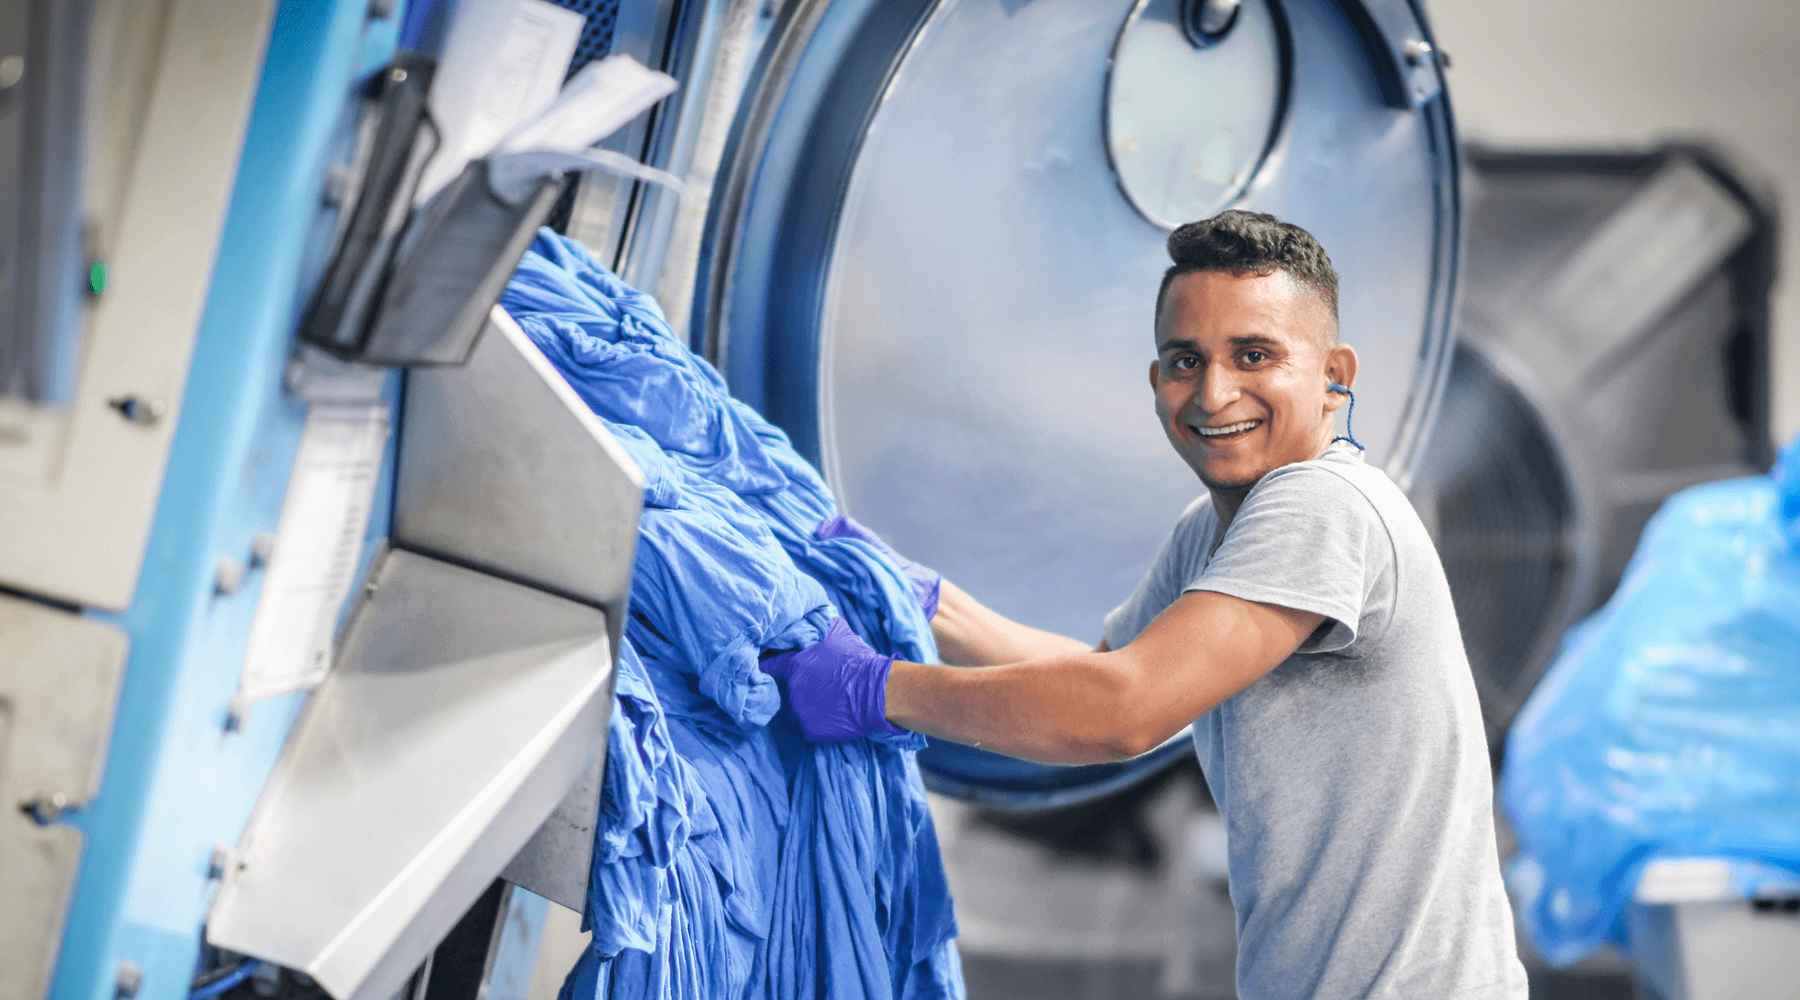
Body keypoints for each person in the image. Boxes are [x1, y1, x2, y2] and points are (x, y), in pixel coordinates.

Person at [767, 210, 1528, 999]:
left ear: (1335, 373)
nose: (1214, 392)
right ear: (1156, 379)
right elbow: (1109, 674)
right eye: (1185, 360)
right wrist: (917, 598)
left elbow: (1118, 714)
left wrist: (876, 691)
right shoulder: (1217, 529)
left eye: (1254, 355)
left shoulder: (1325, 504)